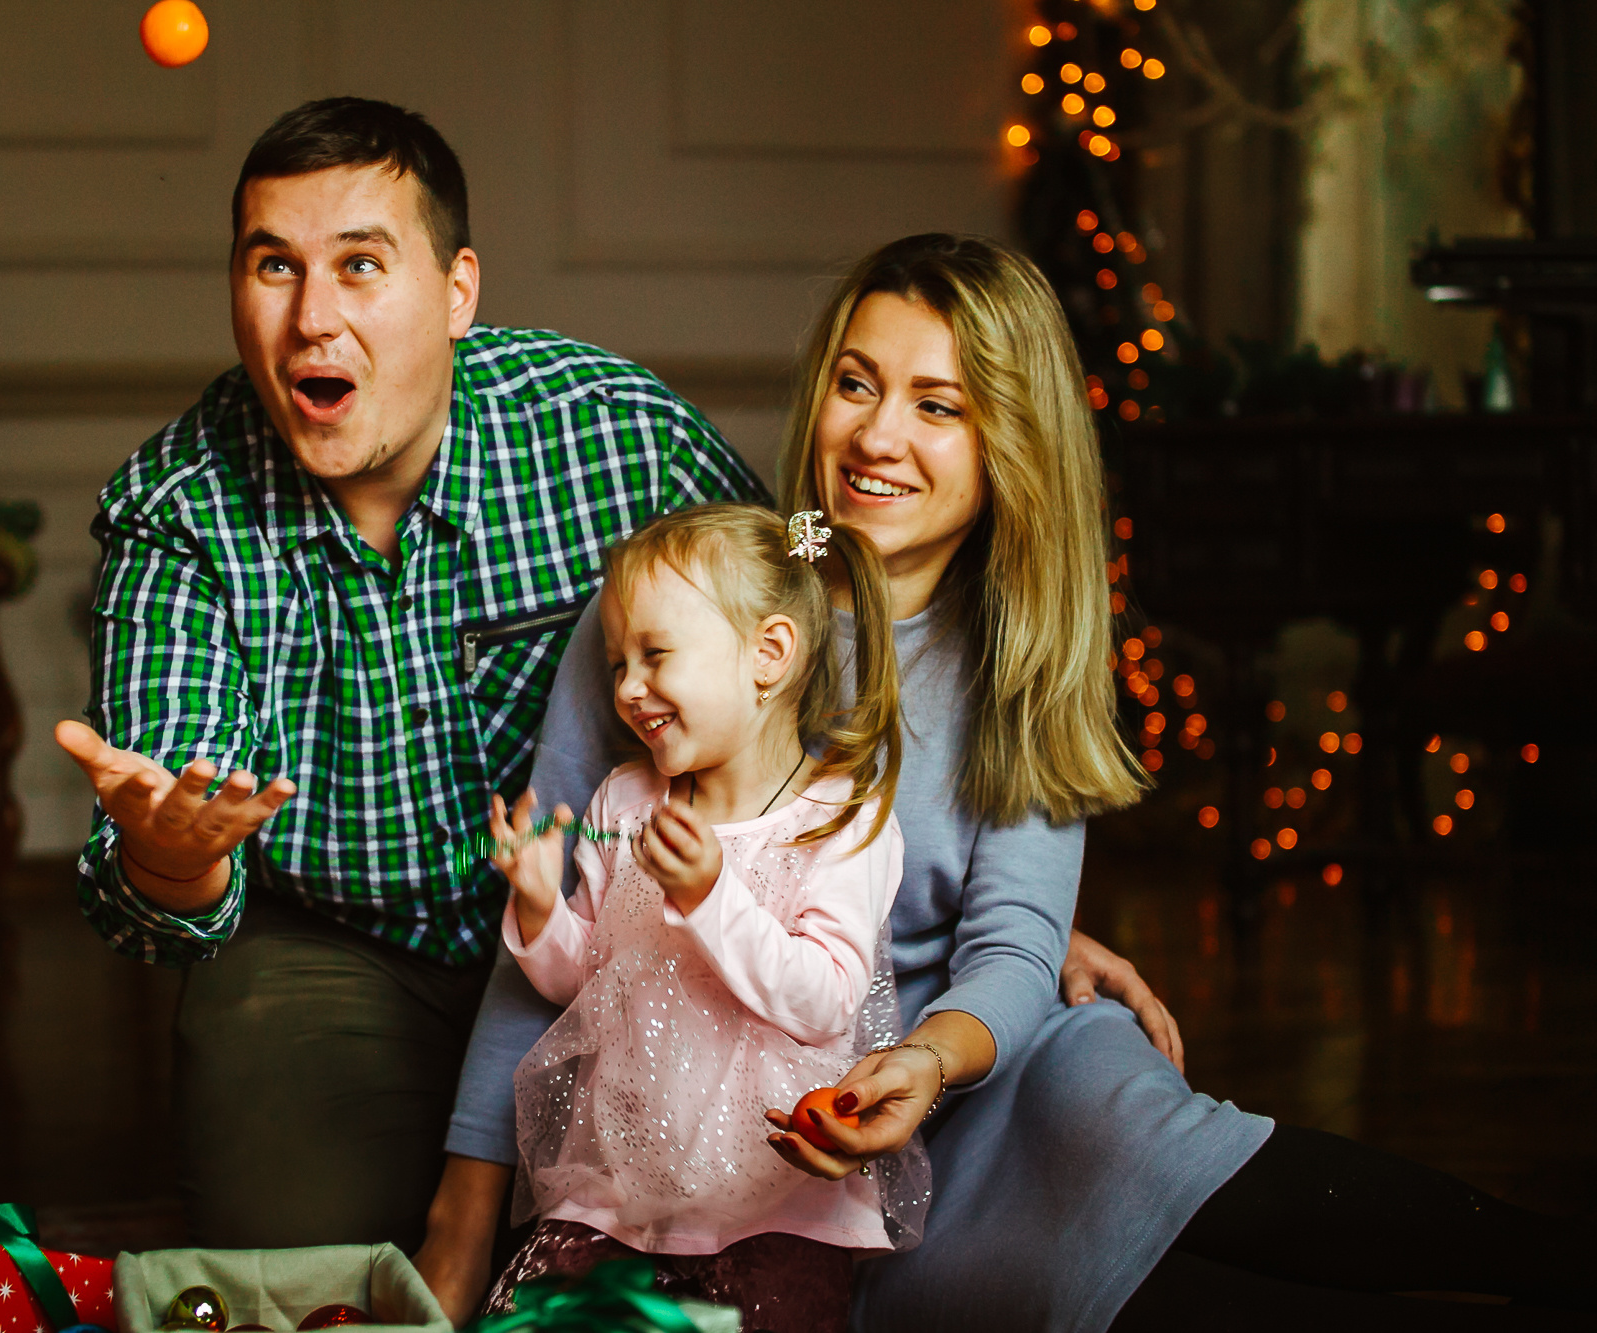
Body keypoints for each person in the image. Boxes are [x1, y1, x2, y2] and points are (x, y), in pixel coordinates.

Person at [424, 234, 1595, 1330]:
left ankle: (1557, 1260)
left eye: (939, 406)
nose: (879, 436)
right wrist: (457, 1232)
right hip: (787, 1124)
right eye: (856, 383)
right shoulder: (667, 619)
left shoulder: (1020, 649)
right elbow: (552, 940)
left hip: (971, 1059)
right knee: (1131, 1293)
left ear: (1008, 445)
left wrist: (933, 1057)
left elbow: (1010, 949)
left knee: (1141, 1132)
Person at [51, 95, 768, 1249]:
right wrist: (170, 855)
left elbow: (812, 664)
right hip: (332, 945)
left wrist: (949, 882)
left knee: (672, 1249)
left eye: (361, 266)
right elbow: (162, 905)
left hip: (615, 921)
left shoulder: (611, 435)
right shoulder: (179, 516)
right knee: (304, 1270)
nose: (309, 320)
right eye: (272, 266)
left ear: (457, 293)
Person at [476, 504, 933, 1332]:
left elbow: (825, 999)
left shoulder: (839, 817)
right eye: (618, 662)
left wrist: (712, 893)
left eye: (656, 655)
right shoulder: (625, 799)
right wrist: (541, 904)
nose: (627, 688)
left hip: (777, 1204)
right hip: (618, 1189)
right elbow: (585, 980)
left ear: (769, 655)